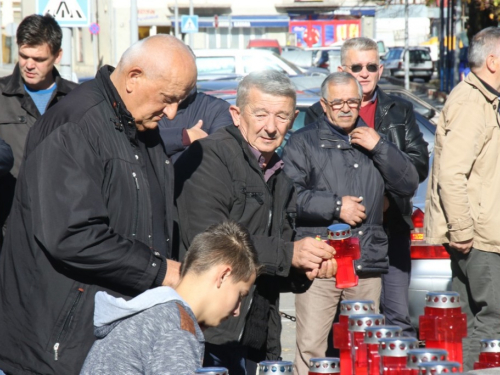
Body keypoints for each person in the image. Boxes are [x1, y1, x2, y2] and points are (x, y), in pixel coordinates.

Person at [0, 35, 197, 375]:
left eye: (180, 101)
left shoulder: (142, 129)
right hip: (55, 346)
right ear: (134, 77)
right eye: (167, 99)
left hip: (109, 338)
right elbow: (72, 234)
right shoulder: (74, 125)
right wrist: (162, 271)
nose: (172, 113)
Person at [174, 70, 337, 375]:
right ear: (236, 114)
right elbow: (207, 240)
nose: (271, 127)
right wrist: (290, 254)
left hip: (258, 334)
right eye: (260, 114)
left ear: (294, 118)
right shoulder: (209, 157)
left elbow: (276, 262)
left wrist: (305, 268)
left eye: (282, 116)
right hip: (210, 333)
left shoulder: (281, 175)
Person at [283, 72, 419, 375]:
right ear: (324, 104)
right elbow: (289, 198)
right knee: (311, 349)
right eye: (338, 102)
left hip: (366, 264)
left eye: (352, 102)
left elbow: (408, 183)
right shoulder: (303, 142)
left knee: (365, 349)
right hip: (320, 264)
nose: (346, 108)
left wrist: (380, 146)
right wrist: (336, 205)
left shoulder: (373, 139)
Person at [304, 37, 428, 337]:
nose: (364, 73)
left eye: (371, 66)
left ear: (381, 69)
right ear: (340, 69)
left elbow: (418, 165)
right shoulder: (317, 112)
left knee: (397, 317)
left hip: (391, 227)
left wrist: (382, 187)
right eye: (356, 66)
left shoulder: (399, 110)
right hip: (340, 234)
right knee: (343, 324)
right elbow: (311, 173)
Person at [80, 221, 260, 375]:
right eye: (240, 295)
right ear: (223, 276)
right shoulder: (176, 328)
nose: (237, 310)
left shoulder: (153, 315)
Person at [425, 26, 500, 371]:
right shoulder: (472, 102)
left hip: (482, 233)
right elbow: (451, 175)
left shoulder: (486, 98)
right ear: (493, 61)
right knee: (492, 325)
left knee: (475, 325)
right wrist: (463, 230)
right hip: (482, 237)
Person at [0, 14, 77, 246]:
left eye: (39, 58)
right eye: (24, 56)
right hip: (9, 227)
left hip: (64, 228)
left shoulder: (77, 100)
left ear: (57, 56)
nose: (29, 65)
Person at [158, 89, 233, 162]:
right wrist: (185, 136)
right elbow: (146, 141)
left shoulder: (218, 108)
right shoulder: (147, 106)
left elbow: (220, 152)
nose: (170, 113)